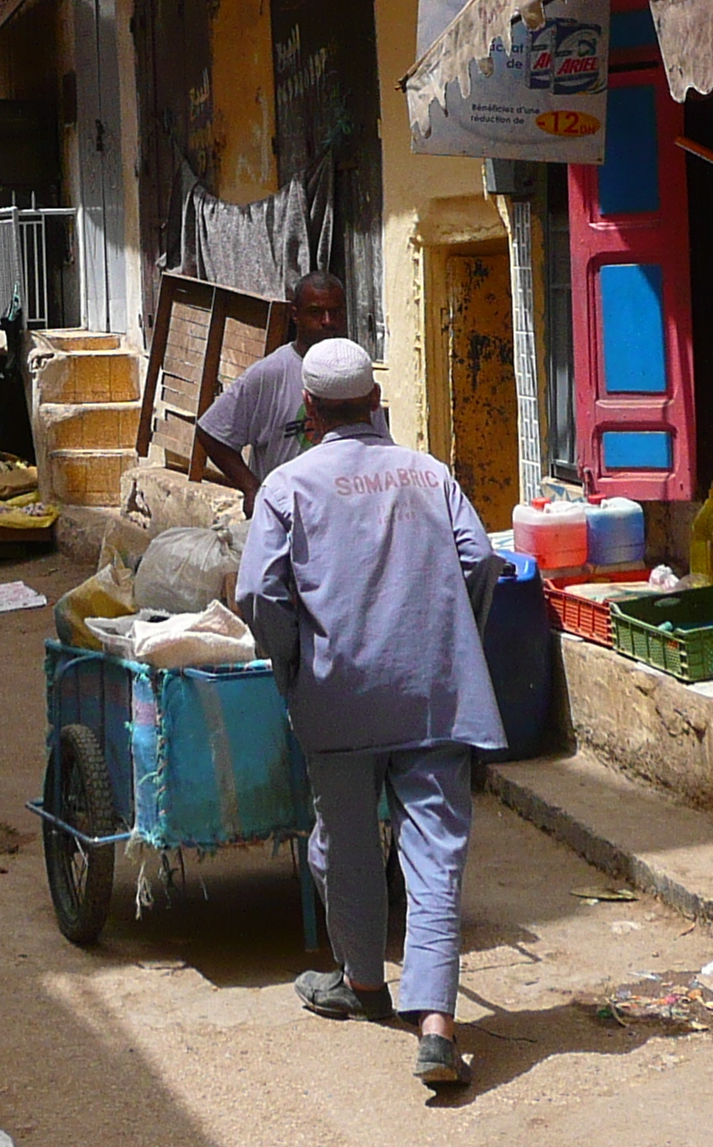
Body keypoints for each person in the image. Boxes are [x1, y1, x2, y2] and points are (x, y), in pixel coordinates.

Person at [235, 338, 502, 1091]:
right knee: (436, 856)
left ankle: (361, 983)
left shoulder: (287, 486)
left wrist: (292, 664)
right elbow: (480, 561)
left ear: (309, 411)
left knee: (344, 842)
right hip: (433, 694)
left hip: (337, 697)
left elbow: (260, 595)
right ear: (374, 405)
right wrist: (455, 641)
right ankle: (438, 1028)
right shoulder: (429, 473)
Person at [196, 272, 353, 512]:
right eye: (316, 312)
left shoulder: (353, 370)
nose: (327, 321)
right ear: (295, 315)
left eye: (336, 312)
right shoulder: (270, 374)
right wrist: (251, 488)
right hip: (288, 515)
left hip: (343, 510)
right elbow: (212, 431)